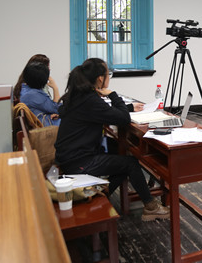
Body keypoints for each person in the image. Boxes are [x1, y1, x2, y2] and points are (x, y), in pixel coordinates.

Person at [54, 58, 169, 221]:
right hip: (79, 162)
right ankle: (150, 206)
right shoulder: (90, 100)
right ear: (100, 78)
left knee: (118, 149)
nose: (109, 78)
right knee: (130, 163)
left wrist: (128, 107)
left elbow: (103, 112)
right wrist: (113, 95)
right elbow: (122, 118)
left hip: (68, 156)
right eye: (109, 74)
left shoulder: (78, 95)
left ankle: (105, 194)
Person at [19, 62, 62, 126]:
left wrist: (49, 115)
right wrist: (55, 88)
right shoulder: (33, 95)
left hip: (44, 120)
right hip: (46, 127)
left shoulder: (26, 89)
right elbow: (58, 109)